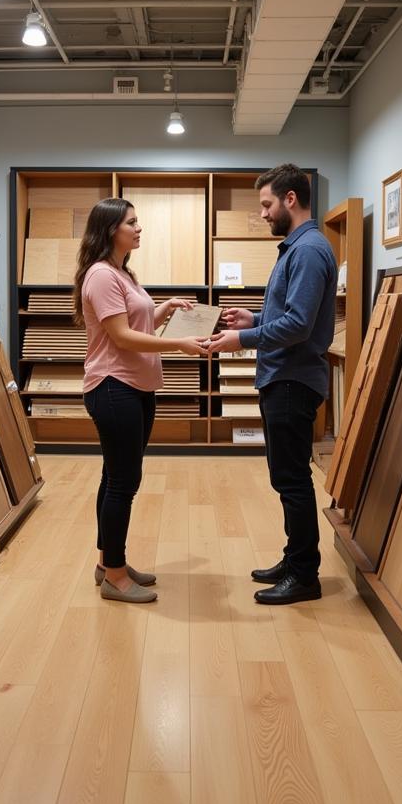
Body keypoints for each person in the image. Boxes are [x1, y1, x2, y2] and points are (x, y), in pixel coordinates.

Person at [206, 164, 336, 605]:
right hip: (283, 377)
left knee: (293, 480)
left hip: (292, 381)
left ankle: (304, 576)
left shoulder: (309, 251)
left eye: (266, 204)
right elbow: (291, 317)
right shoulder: (298, 249)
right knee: (286, 477)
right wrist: (255, 319)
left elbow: (299, 325)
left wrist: (240, 337)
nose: (263, 213)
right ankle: (295, 557)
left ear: (291, 200)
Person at [75, 197, 207, 603]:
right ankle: (115, 574)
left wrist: (165, 309)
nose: (139, 227)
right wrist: (179, 343)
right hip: (114, 387)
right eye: (132, 222)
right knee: (123, 482)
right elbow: (122, 337)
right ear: (111, 229)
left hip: (135, 387)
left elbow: (134, 320)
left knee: (114, 476)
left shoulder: (123, 272)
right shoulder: (101, 275)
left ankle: (107, 561)